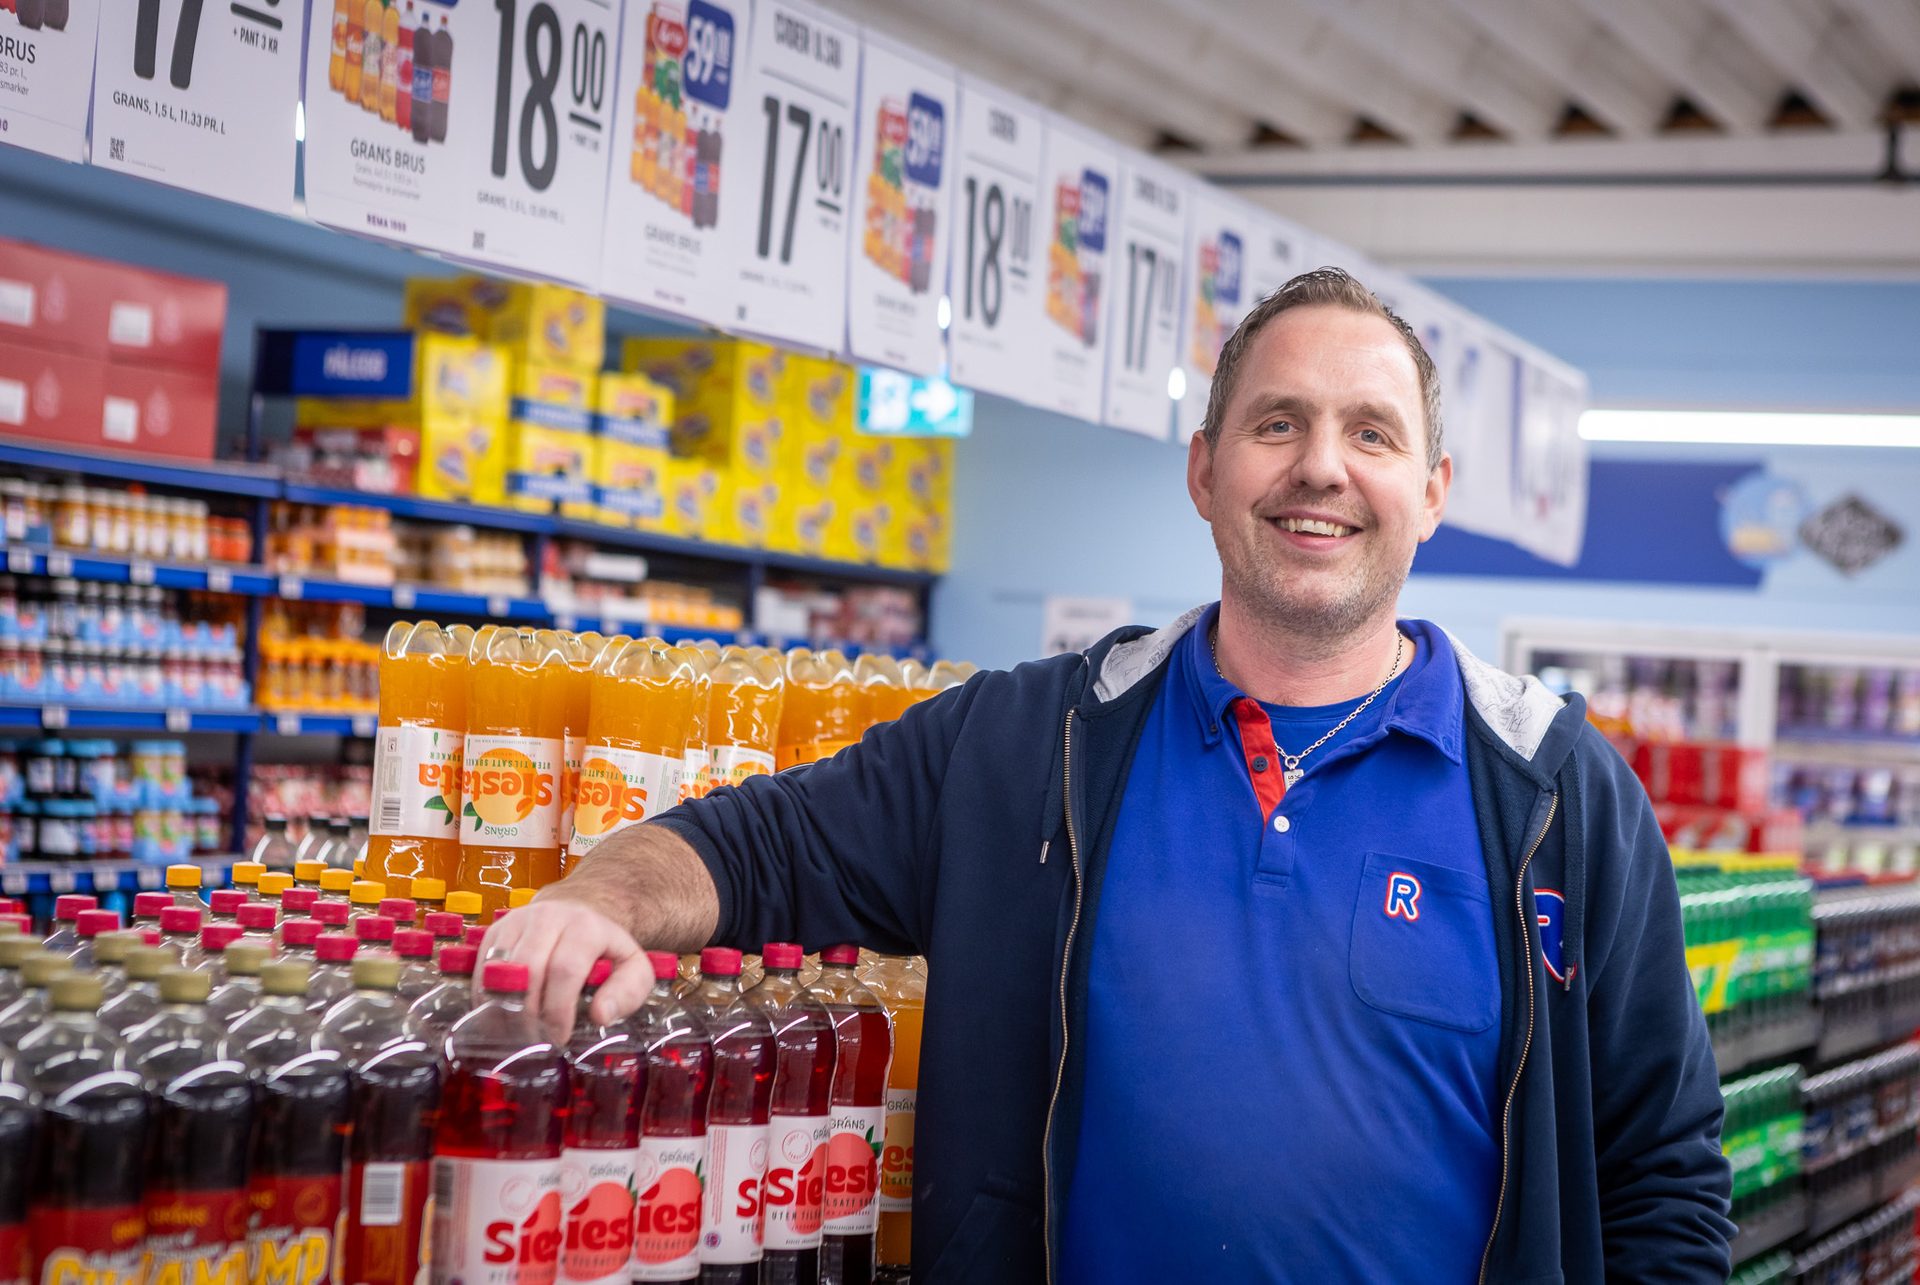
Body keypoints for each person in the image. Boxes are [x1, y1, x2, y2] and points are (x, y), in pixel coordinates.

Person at [489, 268, 1734, 1283]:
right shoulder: (1028, 742)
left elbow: (1664, 1179)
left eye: (1371, 432)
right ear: (1205, 472)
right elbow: (754, 846)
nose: (1320, 468)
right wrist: (599, 900)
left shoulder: (1559, 796)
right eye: (1277, 422)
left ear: (1431, 494)